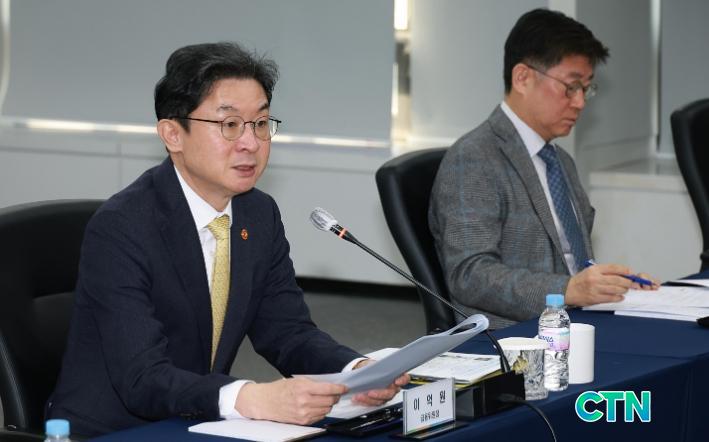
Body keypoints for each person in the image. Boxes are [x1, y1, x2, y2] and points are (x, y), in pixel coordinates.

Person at [47, 42, 407, 437]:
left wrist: (356, 371)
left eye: (260, 123)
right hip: (114, 430)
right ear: (173, 134)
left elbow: (287, 332)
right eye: (229, 124)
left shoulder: (258, 213)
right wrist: (251, 397)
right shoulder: (122, 227)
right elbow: (142, 378)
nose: (250, 142)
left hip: (196, 418)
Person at [429, 9, 658, 329]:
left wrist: (610, 286)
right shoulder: (474, 159)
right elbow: (470, 275)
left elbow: (571, 263)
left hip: (576, 322)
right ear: (523, 78)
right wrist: (567, 290)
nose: (580, 102)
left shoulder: (559, 160)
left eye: (586, 89)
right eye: (570, 87)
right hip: (517, 337)